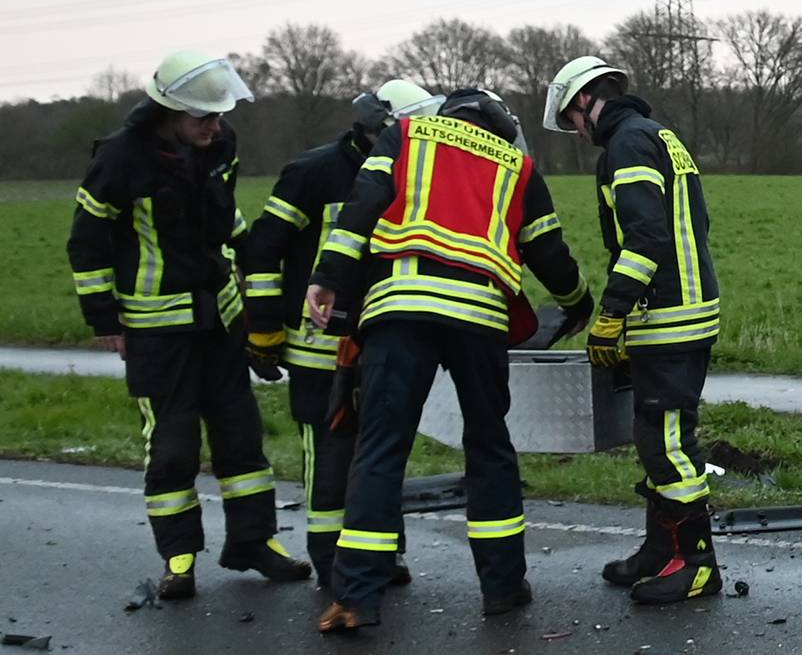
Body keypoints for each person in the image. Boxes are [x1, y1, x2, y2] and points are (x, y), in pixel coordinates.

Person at [305, 89, 589, 633]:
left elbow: (360, 209)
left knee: (382, 448)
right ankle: (503, 588)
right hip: (479, 316)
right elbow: (548, 250)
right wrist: (577, 303)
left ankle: (356, 596)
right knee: (489, 447)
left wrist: (327, 278)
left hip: (400, 310)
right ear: (501, 127)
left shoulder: (405, 135)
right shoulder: (518, 165)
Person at [65, 51, 312, 599]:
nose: (215, 126)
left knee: (242, 438)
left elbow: (227, 215)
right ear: (170, 111)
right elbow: (86, 242)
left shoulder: (220, 147)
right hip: (156, 328)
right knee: (173, 445)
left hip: (220, 319)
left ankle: (255, 542)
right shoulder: (119, 159)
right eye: (204, 117)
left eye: (219, 117)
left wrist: (254, 265)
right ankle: (179, 556)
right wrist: (103, 318)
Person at [242, 78, 439, 588]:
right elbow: (264, 251)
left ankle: (382, 554)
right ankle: (332, 563)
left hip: (383, 339)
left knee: (381, 452)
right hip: (318, 349)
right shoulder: (312, 172)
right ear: (370, 128)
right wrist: (263, 328)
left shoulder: (413, 171)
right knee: (331, 459)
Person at [544, 56, 725, 604]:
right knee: (654, 440)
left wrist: (612, 312)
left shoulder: (626, 144)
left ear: (582, 102)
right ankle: (658, 551)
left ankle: (694, 563)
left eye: (573, 121)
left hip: (667, 316)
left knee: (667, 442)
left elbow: (644, 237)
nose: (577, 134)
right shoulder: (658, 135)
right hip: (683, 309)